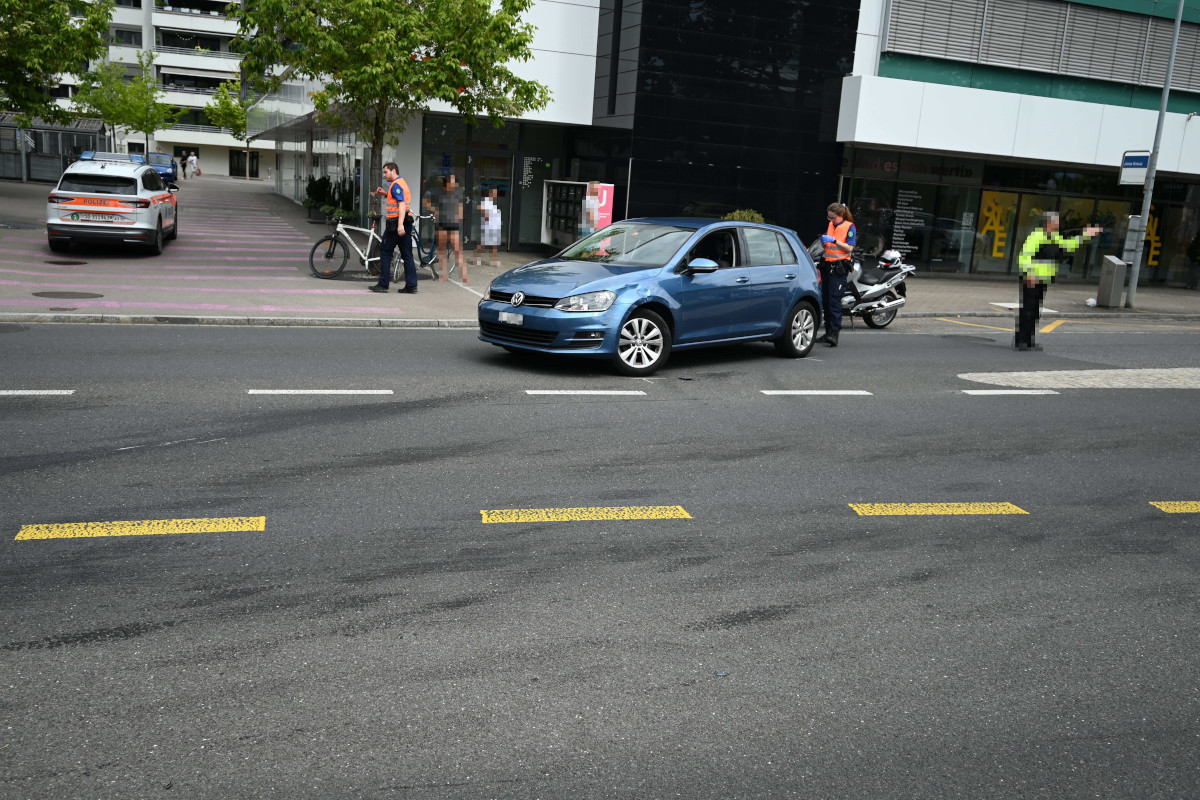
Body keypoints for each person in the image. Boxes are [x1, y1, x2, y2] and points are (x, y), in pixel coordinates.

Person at [1016, 211, 1102, 350]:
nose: (1058, 224)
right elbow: (1024, 256)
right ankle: (1022, 341)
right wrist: (1029, 274)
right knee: (1028, 310)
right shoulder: (1037, 236)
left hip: (1042, 280)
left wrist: (1086, 235)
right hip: (1032, 279)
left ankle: (1028, 340)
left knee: (1035, 311)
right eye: (1056, 222)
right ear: (1048, 223)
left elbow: (1069, 245)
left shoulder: (1054, 237)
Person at [370, 162, 417, 294]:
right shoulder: (401, 183)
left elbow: (401, 204)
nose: (384, 175)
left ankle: (383, 285)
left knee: (385, 252)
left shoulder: (396, 184)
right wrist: (385, 194)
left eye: (386, 172)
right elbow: (398, 199)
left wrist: (400, 224)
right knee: (407, 254)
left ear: (393, 171)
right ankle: (411, 285)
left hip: (396, 224)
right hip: (405, 223)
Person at [817, 202, 856, 347]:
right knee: (826, 301)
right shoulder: (831, 225)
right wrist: (823, 242)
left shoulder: (849, 227)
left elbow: (849, 248)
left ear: (840, 215)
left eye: (833, 218)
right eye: (829, 218)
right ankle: (827, 333)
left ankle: (834, 334)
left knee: (834, 301)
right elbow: (828, 247)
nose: (831, 220)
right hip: (827, 266)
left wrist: (833, 240)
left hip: (839, 269)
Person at [427, 174, 469, 284]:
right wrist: (435, 210)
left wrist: (459, 219)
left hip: (453, 225)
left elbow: (460, 207)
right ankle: (443, 275)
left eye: (455, 182)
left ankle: (464, 276)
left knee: (458, 250)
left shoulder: (458, 194)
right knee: (442, 250)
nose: (455, 184)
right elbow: (427, 203)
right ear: (447, 183)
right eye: (453, 182)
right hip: (441, 224)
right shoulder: (438, 193)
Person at [474, 187, 502, 267]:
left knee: (494, 244)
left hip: (495, 226)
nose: (495, 195)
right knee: (483, 244)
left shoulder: (494, 203)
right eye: (494, 193)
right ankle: (476, 258)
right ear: (490, 193)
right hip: (487, 226)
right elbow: (479, 207)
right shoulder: (486, 201)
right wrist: (485, 214)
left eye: (496, 193)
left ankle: (494, 260)